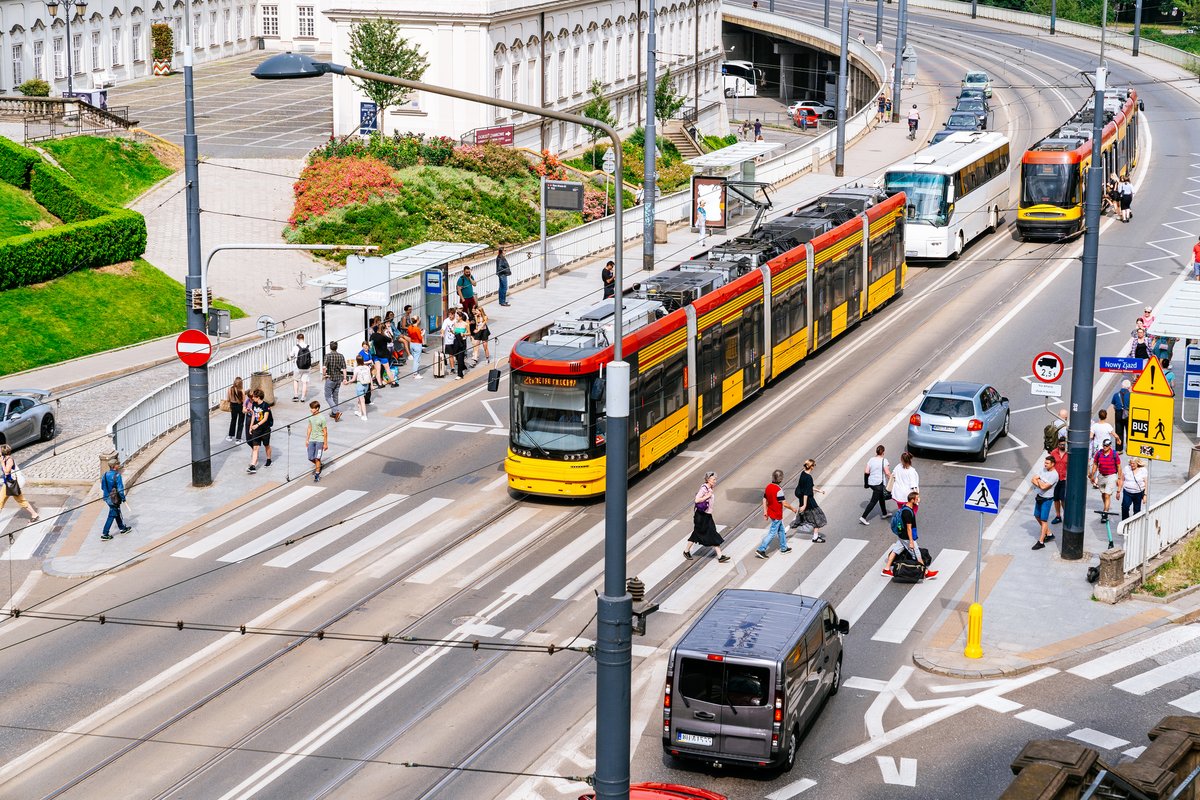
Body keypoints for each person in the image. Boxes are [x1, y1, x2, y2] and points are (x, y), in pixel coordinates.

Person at [882, 491, 938, 578]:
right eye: (917, 498)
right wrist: (911, 541)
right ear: (912, 500)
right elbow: (909, 528)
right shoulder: (907, 512)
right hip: (906, 537)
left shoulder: (906, 507)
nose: (919, 500)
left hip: (902, 536)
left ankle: (886, 569)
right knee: (917, 553)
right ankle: (926, 573)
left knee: (895, 551)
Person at [683, 472, 730, 562]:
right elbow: (697, 500)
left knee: (710, 532)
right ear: (708, 480)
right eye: (713, 479)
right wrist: (707, 496)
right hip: (701, 515)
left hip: (707, 515)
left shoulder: (709, 487)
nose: (715, 481)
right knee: (702, 532)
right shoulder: (704, 488)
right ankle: (686, 551)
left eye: (715, 479)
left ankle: (720, 556)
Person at [757, 470, 799, 559]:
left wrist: (765, 511)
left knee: (781, 530)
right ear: (781, 479)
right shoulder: (778, 490)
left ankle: (784, 548)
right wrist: (793, 509)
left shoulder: (768, 487)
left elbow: (764, 499)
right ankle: (761, 549)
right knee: (772, 533)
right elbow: (784, 503)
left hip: (771, 513)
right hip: (777, 514)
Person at [0, 444, 39, 523]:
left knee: (21, 500)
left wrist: (2, 463)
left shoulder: (9, 460)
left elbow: (7, 472)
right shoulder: (4, 458)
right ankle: (34, 514)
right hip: (7, 484)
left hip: (12, 484)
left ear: (3, 452)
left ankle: (34, 514)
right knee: (1, 501)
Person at [791, 459, 827, 543]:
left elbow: (807, 487)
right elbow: (806, 492)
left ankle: (785, 530)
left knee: (800, 518)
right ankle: (815, 537)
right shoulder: (809, 477)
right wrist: (804, 504)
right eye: (814, 465)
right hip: (809, 501)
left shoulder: (803, 474)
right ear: (811, 467)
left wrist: (819, 491)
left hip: (804, 500)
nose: (814, 467)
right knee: (819, 518)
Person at [99, 460, 132, 540]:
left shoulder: (105, 475)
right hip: (114, 499)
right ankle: (105, 533)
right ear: (114, 466)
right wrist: (123, 498)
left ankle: (122, 528)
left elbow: (102, 487)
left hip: (107, 497)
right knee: (112, 515)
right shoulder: (117, 476)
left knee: (116, 512)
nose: (119, 465)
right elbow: (120, 489)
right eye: (117, 464)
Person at [1030, 455, 1058, 550]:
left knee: (1043, 520)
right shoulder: (1043, 469)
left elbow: (1044, 487)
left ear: (1052, 464)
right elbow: (1033, 479)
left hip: (1047, 499)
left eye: (1047, 463)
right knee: (1037, 515)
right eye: (1045, 463)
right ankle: (1049, 533)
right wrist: (1040, 482)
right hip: (1039, 496)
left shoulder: (1054, 475)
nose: (1045, 464)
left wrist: (1039, 481)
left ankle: (1041, 541)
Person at [861, 444, 892, 525]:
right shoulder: (884, 460)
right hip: (879, 484)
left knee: (881, 497)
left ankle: (884, 513)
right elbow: (887, 473)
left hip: (871, 483)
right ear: (883, 452)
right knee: (873, 501)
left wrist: (866, 484)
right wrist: (893, 480)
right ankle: (863, 517)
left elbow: (866, 472)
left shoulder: (871, 459)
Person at [1089, 436, 1121, 514]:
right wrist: (1092, 475)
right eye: (1104, 445)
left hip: (1111, 476)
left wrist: (1119, 478)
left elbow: (1119, 466)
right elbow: (1095, 464)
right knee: (1103, 494)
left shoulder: (1114, 454)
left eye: (1106, 446)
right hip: (1101, 476)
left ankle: (1105, 512)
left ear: (1110, 446)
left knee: (1107, 495)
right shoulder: (1099, 453)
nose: (1105, 447)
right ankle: (1106, 506)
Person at [245, 389, 274, 473]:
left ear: (258, 397)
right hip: (256, 430)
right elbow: (254, 415)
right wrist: (251, 427)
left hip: (265, 429)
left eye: (254, 397)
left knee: (266, 445)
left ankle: (269, 460)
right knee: (255, 447)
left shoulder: (266, 406)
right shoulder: (254, 404)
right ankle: (253, 465)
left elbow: (265, 418)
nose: (252, 398)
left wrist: (257, 425)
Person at [322, 340, 347, 422]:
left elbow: (324, 367)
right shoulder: (341, 356)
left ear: (330, 347)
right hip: (338, 379)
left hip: (330, 378)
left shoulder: (328, 356)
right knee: (335, 396)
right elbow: (344, 368)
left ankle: (336, 411)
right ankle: (333, 413)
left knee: (328, 397)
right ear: (337, 347)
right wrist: (345, 378)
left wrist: (324, 375)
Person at [305, 401, 329, 483]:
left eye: (312, 408)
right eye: (310, 408)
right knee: (310, 457)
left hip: (320, 440)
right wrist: (307, 439)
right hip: (312, 439)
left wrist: (325, 443)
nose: (310, 410)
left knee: (317, 457)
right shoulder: (310, 418)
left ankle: (317, 474)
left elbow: (325, 432)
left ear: (317, 408)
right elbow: (309, 428)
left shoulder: (322, 418)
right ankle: (319, 465)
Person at [1049, 433, 1069, 524]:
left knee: (1063, 498)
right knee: (1056, 498)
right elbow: (1050, 463)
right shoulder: (1054, 452)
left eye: (1064, 445)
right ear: (1058, 444)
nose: (1062, 446)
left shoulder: (1068, 453)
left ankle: (1067, 515)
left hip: (1064, 479)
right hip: (1055, 479)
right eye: (1061, 445)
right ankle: (1058, 516)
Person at [291, 333, 313, 402]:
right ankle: (303, 398)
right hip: (307, 367)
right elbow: (311, 356)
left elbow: (291, 355)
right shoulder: (309, 347)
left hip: (297, 367)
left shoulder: (295, 347)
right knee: (304, 382)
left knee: (296, 380)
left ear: (297, 339)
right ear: (303, 338)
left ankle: (296, 396)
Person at [1111, 379, 1131, 454]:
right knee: (1129, 431)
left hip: (1118, 413)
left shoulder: (1116, 395)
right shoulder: (1131, 395)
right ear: (1129, 387)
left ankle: (1119, 449)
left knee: (1119, 431)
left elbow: (1113, 404)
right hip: (1128, 413)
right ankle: (1129, 448)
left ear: (1121, 386)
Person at [352, 354, 372, 419]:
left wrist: (347, 382)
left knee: (362, 401)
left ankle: (365, 416)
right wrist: (371, 385)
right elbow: (370, 377)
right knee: (360, 399)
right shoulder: (367, 367)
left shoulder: (357, 368)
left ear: (357, 361)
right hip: (366, 385)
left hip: (360, 385)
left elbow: (353, 379)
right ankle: (359, 412)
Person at [226, 376, 245, 443]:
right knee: (240, 422)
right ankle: (238, 438)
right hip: (240, 406)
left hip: (233, 406)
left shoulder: (230, 389)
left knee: (233, 420)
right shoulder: (242, 390)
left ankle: (230, 436)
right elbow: (244, 400)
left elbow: (228, 399)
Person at [452, 310, 470, 379]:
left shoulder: (465, 324)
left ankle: (460, 374)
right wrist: (452, 331)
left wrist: (464, 334)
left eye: (457, 316)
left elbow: (469, 333)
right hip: (456, 340)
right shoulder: (455, 323)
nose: (456, 317)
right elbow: (454, 331)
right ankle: (463, 365)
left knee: (460, 357)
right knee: (456, 355)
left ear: (461, 317)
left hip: (462, 341)